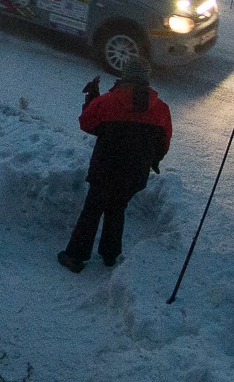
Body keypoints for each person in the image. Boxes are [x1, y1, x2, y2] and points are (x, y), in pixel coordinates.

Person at [58, 62, 172, 271]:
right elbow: (163, 143)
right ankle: (110, 255)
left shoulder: (109, 102)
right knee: (117, 208)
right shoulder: (161, 109)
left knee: (92, 210)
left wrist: (91, 98)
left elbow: (87, 123)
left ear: (124, 78)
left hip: (105, 170)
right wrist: (151, 160)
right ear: (147, 81)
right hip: (135, 175)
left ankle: (75, 256)